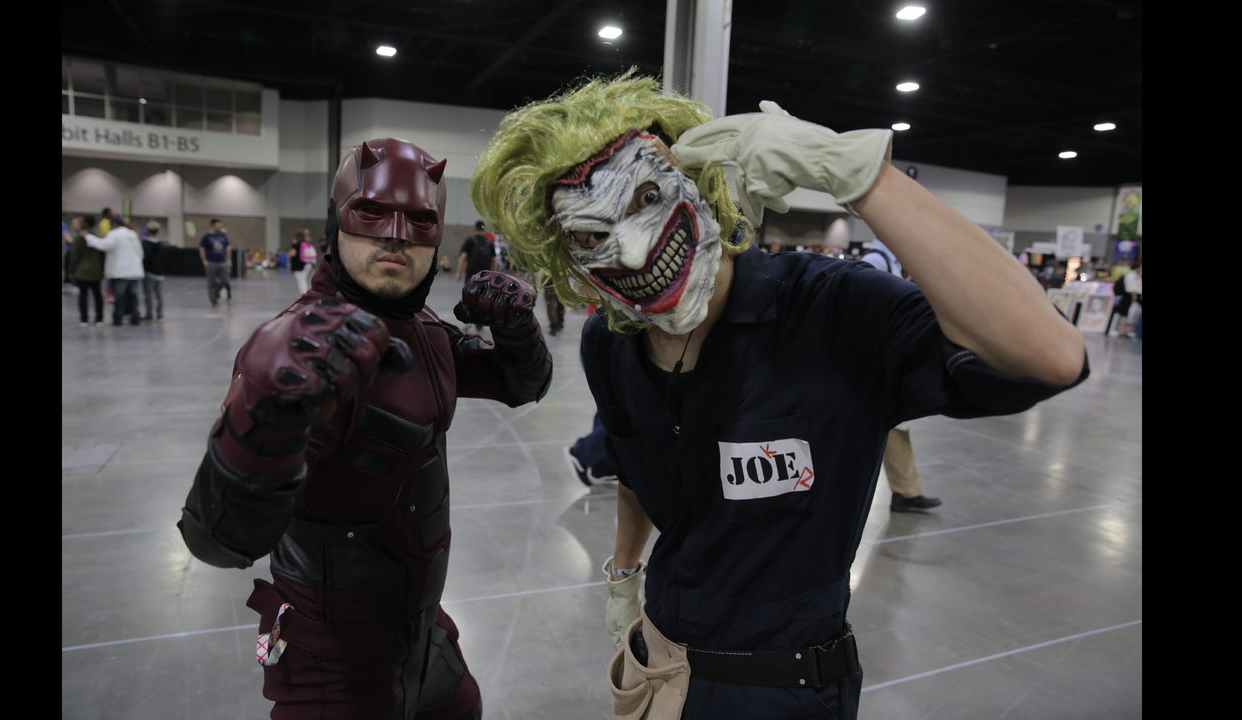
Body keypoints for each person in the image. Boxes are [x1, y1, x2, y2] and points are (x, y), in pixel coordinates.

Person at [471, 72, 1087, 720]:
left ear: (698, 180)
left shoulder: (836, 311)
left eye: (647, 197)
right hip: (657, 669)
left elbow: (1051, 357)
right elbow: (633, 463)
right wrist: (625, 574)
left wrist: (856, 174)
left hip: (785, 688)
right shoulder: (611, 339)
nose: (631, 247)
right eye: (593, 236)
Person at [176, 137, 553, 720]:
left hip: (427, 637)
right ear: (337, 223)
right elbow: (218, 543)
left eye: (420, 221)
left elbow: (522, 384)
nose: (396, 235)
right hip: (332, 660)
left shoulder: (424, 328)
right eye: (371, 214)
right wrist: (265, 415)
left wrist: (518, 328)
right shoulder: (299, 352)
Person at [858, 239, 942, 512]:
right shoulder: (877, 261)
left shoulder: (889, 261)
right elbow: (863, 309)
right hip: (872, 360)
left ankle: (906, 491)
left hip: (882, 358)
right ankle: (905, 491)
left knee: (896, 426)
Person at [86, 218, 145, 326]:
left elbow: (103, 245)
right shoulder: (132, 234)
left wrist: (88, 237)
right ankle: (135, 318)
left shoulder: (114, 234)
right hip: (135, 271)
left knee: (119, 297)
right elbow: (140, 253)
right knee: (133, 297)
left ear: (114, 225)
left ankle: (118, 319)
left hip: (121, 272)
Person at [69, 215, 106, 327]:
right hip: (96, 270)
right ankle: (99, 319)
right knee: (97, 295)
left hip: (82, 271)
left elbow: (75, 256)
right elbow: (102, 255)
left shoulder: (79, 238)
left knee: (83, 296)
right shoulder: (98, 237)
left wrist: (72, 271)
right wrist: (102, 269)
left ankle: (84, 319)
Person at [199, 218, 232, 308]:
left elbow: (228, 247)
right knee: (211, 282)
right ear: (212, 226)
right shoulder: (206, 237)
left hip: (222, 262)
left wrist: (229, 259)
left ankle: (216, 292)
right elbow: (202, 248)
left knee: (225, 280)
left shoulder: (222, 236)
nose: (220, 228)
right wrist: (204, 260)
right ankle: (213, 300)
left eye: (221, 226)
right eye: (218, 226)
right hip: (211, 262)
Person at [141, 221, 167, 322]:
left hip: (149, 272)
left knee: (149, 294)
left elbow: (145, 258)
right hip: (160, 273)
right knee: (159, 294)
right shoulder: (161, 245)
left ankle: (149, 314)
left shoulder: (145, 244)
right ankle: (160, 314)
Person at [1115, 262, 1141, 338]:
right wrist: (1134, 296)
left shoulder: (1135, 275)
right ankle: (1122, 330)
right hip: (1129, 297)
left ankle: (1123, 330)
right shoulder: (1131, 276)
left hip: (1131, 296)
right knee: (1125, 314)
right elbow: (1130, 288)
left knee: (1125, 314)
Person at [289, 229, 317, 295]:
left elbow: (292, 253)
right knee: (304, 279)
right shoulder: (307, 244)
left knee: (301, 280)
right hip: (308, 264)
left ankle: (304, 295)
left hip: (299, 265)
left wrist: (289, 251)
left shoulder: (296, 244)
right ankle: (306, 294)